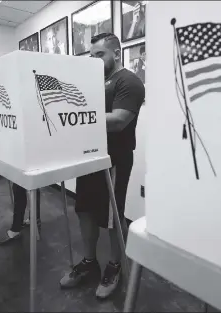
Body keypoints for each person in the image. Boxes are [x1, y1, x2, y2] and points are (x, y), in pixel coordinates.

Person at [59, 33, 145, 299]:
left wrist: (75, 116)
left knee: (112, 216)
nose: (95, 60)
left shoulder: (129, 81)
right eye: (92, 55)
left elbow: (119, 120)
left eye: (100, 55)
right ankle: (88, 261)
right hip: (89, 156)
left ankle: (115, 266)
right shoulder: (92, 82)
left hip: (114, 158)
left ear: (116, 53)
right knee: (84, 209)